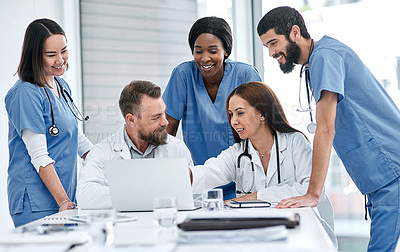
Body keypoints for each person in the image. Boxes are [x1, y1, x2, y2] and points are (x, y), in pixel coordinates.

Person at [257, 6, 400, 251]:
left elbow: (325, 129)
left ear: (294, 32)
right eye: (266, 47)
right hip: (378, 173)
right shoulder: (318, 59)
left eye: (273, 43)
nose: (271, 53)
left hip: (389, 167)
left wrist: (312, 194)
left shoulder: (325, 56)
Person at [189, 82, 335, 234]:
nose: (233, 121)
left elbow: (310, 190)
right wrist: (185, 175)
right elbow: (209, 172)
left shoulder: (295, 142)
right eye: (231, 114)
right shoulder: (237, 153)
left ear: (262, 114)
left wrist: (254, 197)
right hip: (256, 233)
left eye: (240, 113)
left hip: (300, 230)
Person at [5, 18, 93, 227]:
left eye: (63, 50)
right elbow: (39, 156)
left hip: (64, 199)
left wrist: (109, 163)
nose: (61, 60)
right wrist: (62, 200)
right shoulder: (25, 94)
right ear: (35, 56)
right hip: (36, 203)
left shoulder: (61, 86)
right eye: (51, 55)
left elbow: (78, 140)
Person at [163, 16, 262, 199]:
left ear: (226, 50)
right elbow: (167, 129)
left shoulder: (245, 74)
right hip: (198, 180)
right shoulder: (183, 75)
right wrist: (164, 171)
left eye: (213, 51)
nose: (204, 58)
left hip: (243, 178)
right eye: (198, 51)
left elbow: (262, 128)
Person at [77, 80, 193, 209]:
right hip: (125, 228)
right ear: (131, 120)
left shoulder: (177, 148)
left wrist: (129, 194)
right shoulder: (102, 152)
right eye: (156, 117)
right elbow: (86, 196)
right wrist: (152, 192)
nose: (165, 122)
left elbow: (193, 195)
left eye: (164, 113)